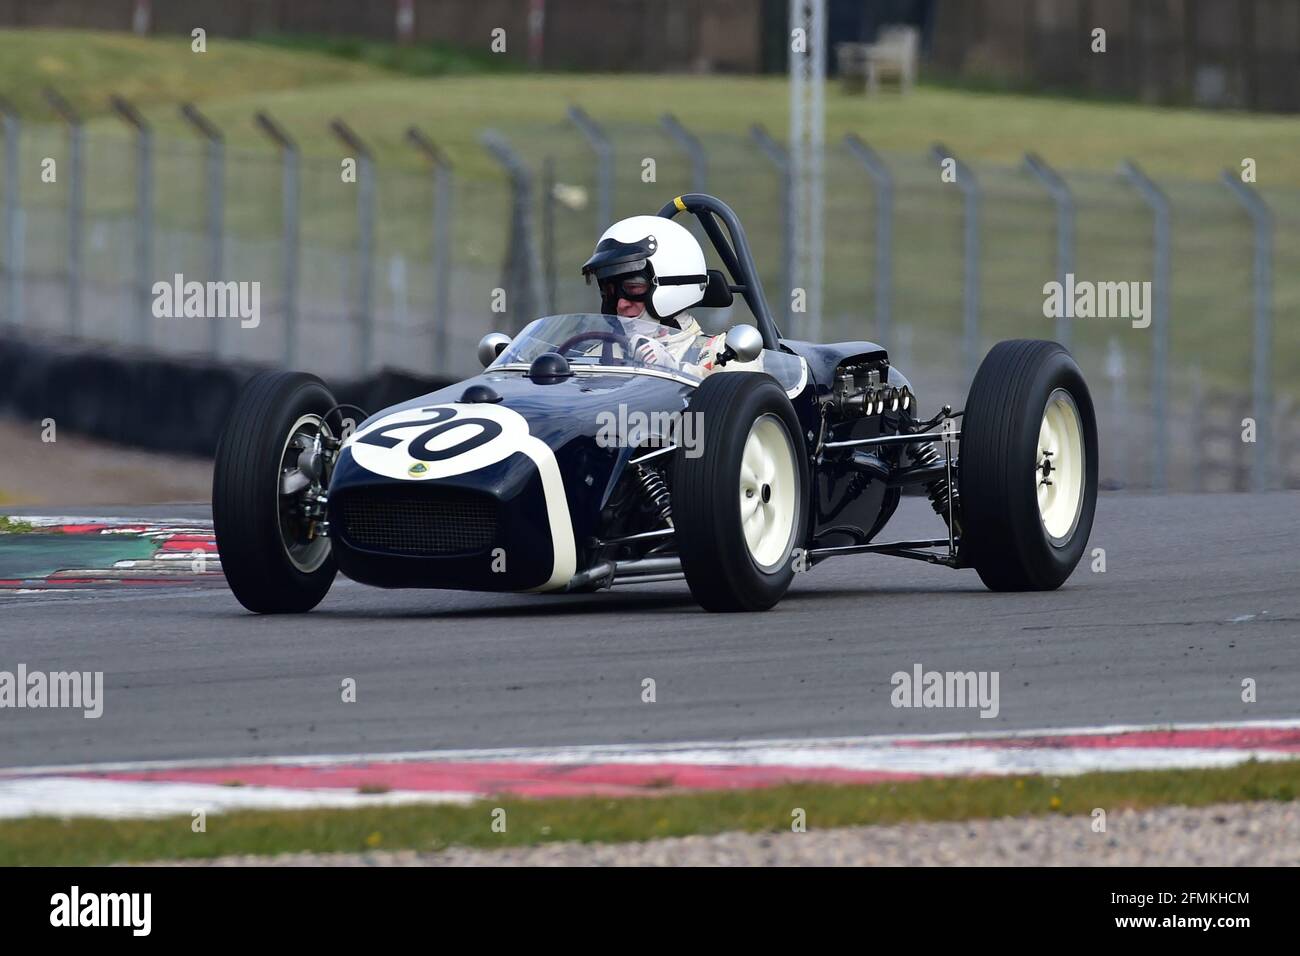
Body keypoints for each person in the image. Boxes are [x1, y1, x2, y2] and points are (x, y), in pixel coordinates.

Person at [580, 215, 740, 375]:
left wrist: (674, 370)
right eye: (610, 292)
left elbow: (738, 394)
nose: (621, 305)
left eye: (633, 288)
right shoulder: (596, 356)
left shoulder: (729, 353)